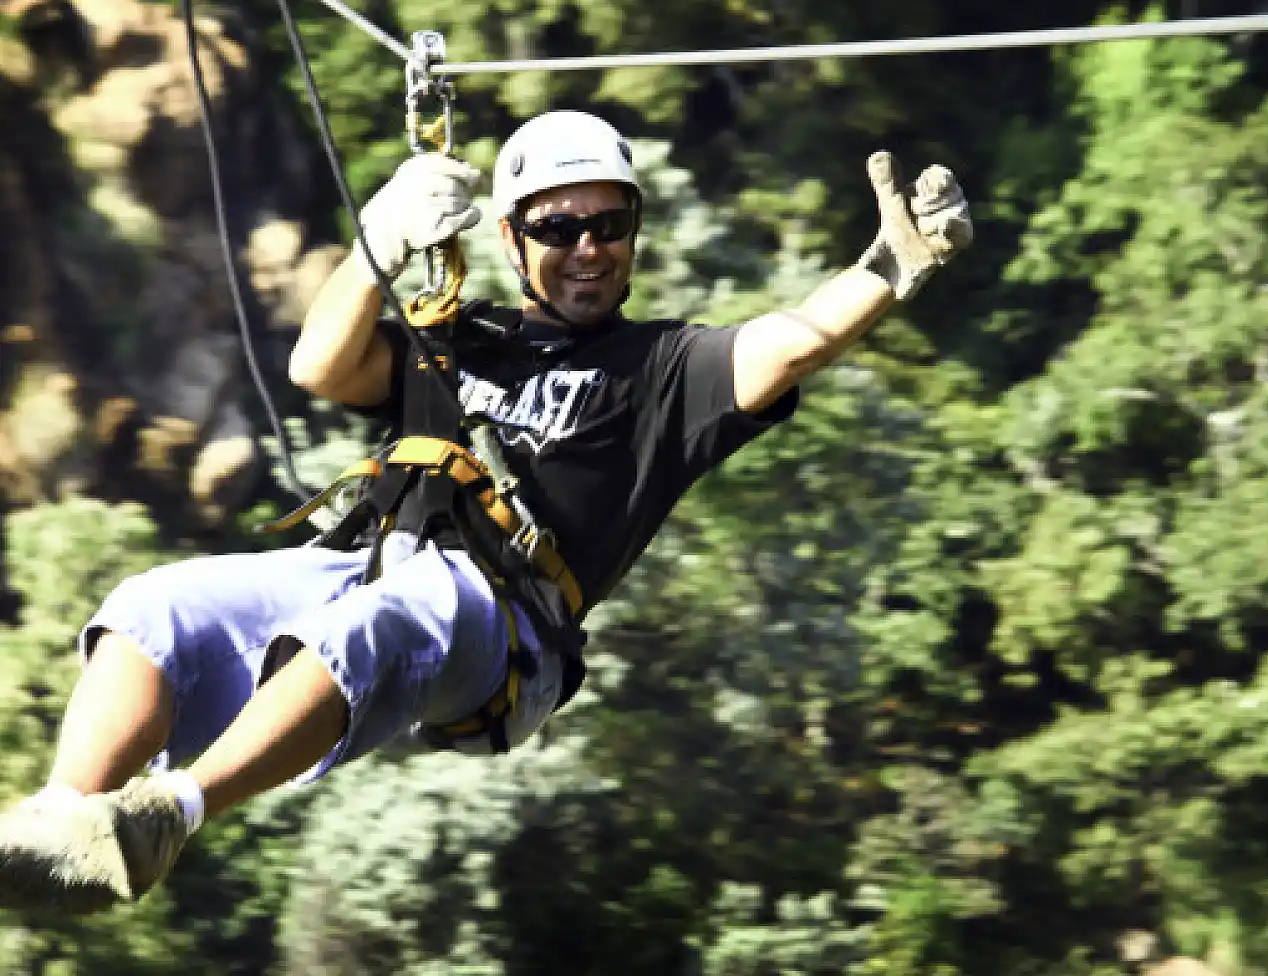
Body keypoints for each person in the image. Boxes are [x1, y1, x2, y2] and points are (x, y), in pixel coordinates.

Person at [0, 110, 971, 914]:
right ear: (510, 239)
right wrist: (379, 240)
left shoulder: (667, 370)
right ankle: (64, 824)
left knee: (402, 607)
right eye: (557, 228)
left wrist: (888, 268)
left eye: (609, 225)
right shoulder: (457, 338)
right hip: (372, 561)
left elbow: (790, 344)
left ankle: (166, 813)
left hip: (508, 628)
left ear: (634, 235)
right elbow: (318, 365)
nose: (587, 249)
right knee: (156, 604)